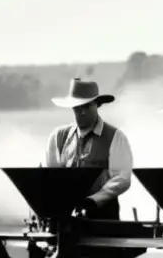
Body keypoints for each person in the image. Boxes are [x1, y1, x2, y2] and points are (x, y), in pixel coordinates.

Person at [44, 77, 133, 219]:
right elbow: (50, 176)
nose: (82, 112)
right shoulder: (58, 137)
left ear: (97, 105)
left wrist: (94, 200)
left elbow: (122, 178)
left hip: (103, 216)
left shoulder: (115, 136)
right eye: (78, 107)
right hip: (66, 216)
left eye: (87, 106)